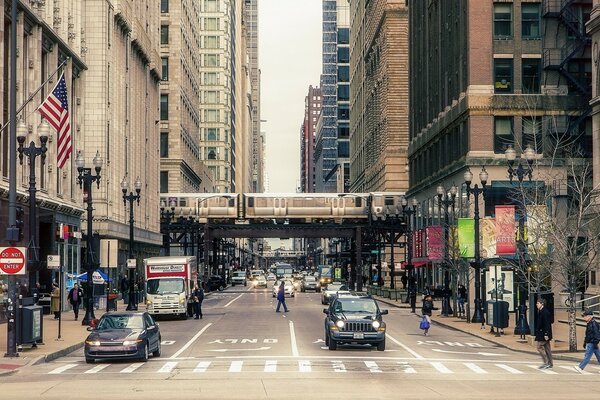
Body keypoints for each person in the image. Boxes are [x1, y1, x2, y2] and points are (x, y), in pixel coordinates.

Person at [535, 298, 553, 369]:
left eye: (538, 303)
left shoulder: (544, 312)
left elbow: (547, 324)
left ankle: (546, 362)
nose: (537, 305)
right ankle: (550, 363)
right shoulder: (542, 311)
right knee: (547, 349)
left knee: (539, 347)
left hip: (543, 333)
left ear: (542, 304)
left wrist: (546, 334)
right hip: (543, 333)